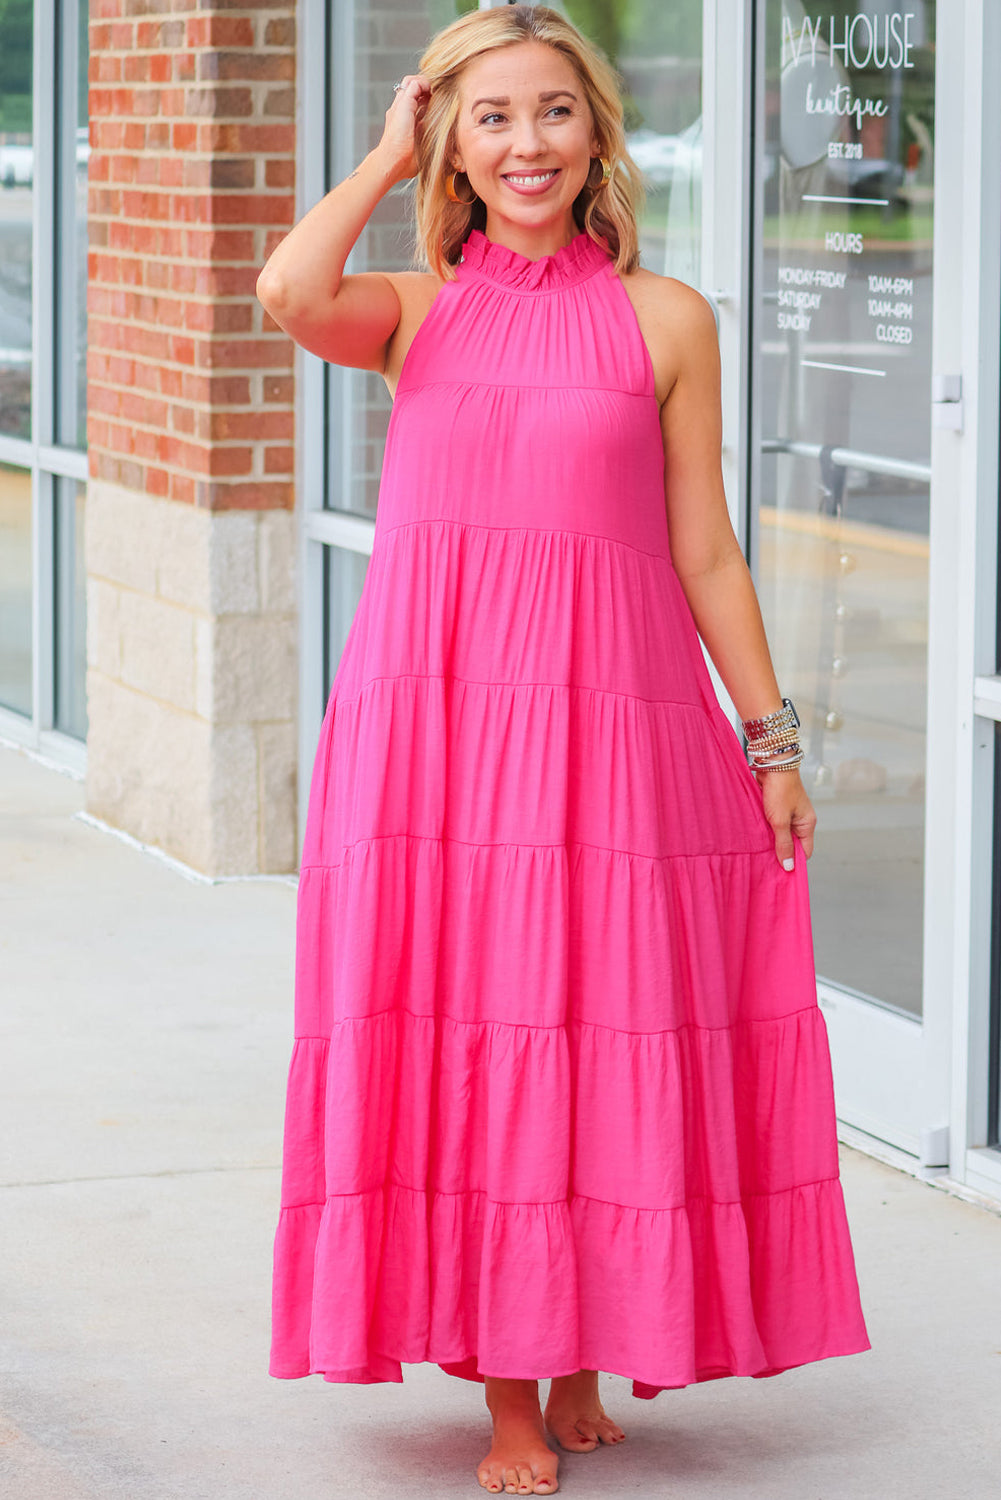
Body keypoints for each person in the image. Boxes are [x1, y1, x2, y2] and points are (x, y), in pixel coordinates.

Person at [256, 6, 871, 1496]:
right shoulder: (412, 309)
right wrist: (385, 143)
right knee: (477, 1032)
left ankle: (583, 1351)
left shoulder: (669, 320)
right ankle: (511, 1401)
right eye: (490, 118)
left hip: (617, 721)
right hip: (442, 730)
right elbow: (286, 290)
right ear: (454, 146)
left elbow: (705, 549)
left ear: (594, 132)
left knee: (599, 1025)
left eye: (550, 113)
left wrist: (769, 738)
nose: (524, 143)